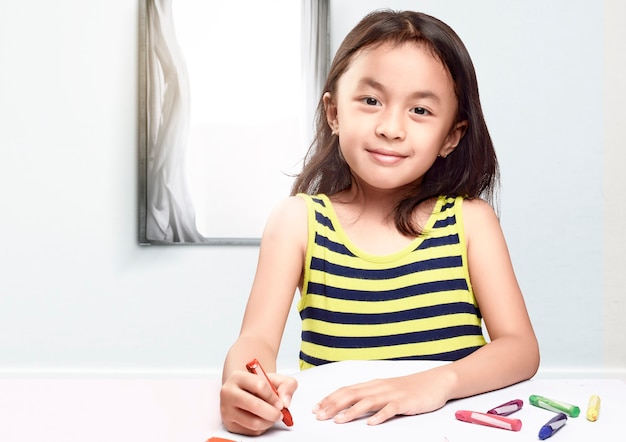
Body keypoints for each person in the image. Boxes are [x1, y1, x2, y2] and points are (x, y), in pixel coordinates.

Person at [220, 9, 539, 436]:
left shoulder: (470, 222)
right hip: (341, 429)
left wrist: (435, 383)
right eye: (371, 101)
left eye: (421, 110)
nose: (391, 128)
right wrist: (245, 386)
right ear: (334, 113)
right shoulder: (298, 221)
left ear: (451, 135)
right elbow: (255, 341)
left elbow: (519, 349)